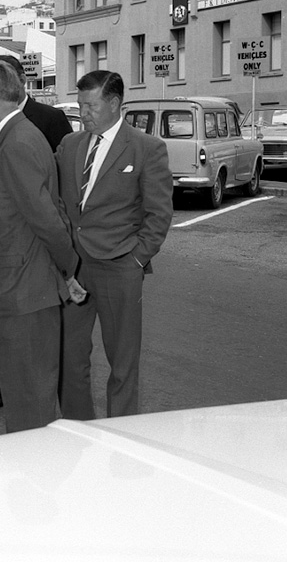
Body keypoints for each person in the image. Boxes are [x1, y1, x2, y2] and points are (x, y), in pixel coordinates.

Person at [0, 60, 82, 432]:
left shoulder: (17, 141)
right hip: (17, 292)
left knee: (31, 404)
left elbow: (49, 219)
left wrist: (69, 271)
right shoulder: (11, 137)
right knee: (24, 399)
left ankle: (39, 480)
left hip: (24, 294)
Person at [56, 70, 173, 419]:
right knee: (70, 356)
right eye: (80, 106)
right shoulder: (70, 145)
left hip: (119, 266)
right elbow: (60, 205)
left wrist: (135, 260)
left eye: (90, 106)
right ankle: (80, 427)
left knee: (122, 362)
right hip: (74, 269)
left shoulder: (146, 148)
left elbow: (159, 213)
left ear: (114, 103)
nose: (84, 114)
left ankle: (122, 433)